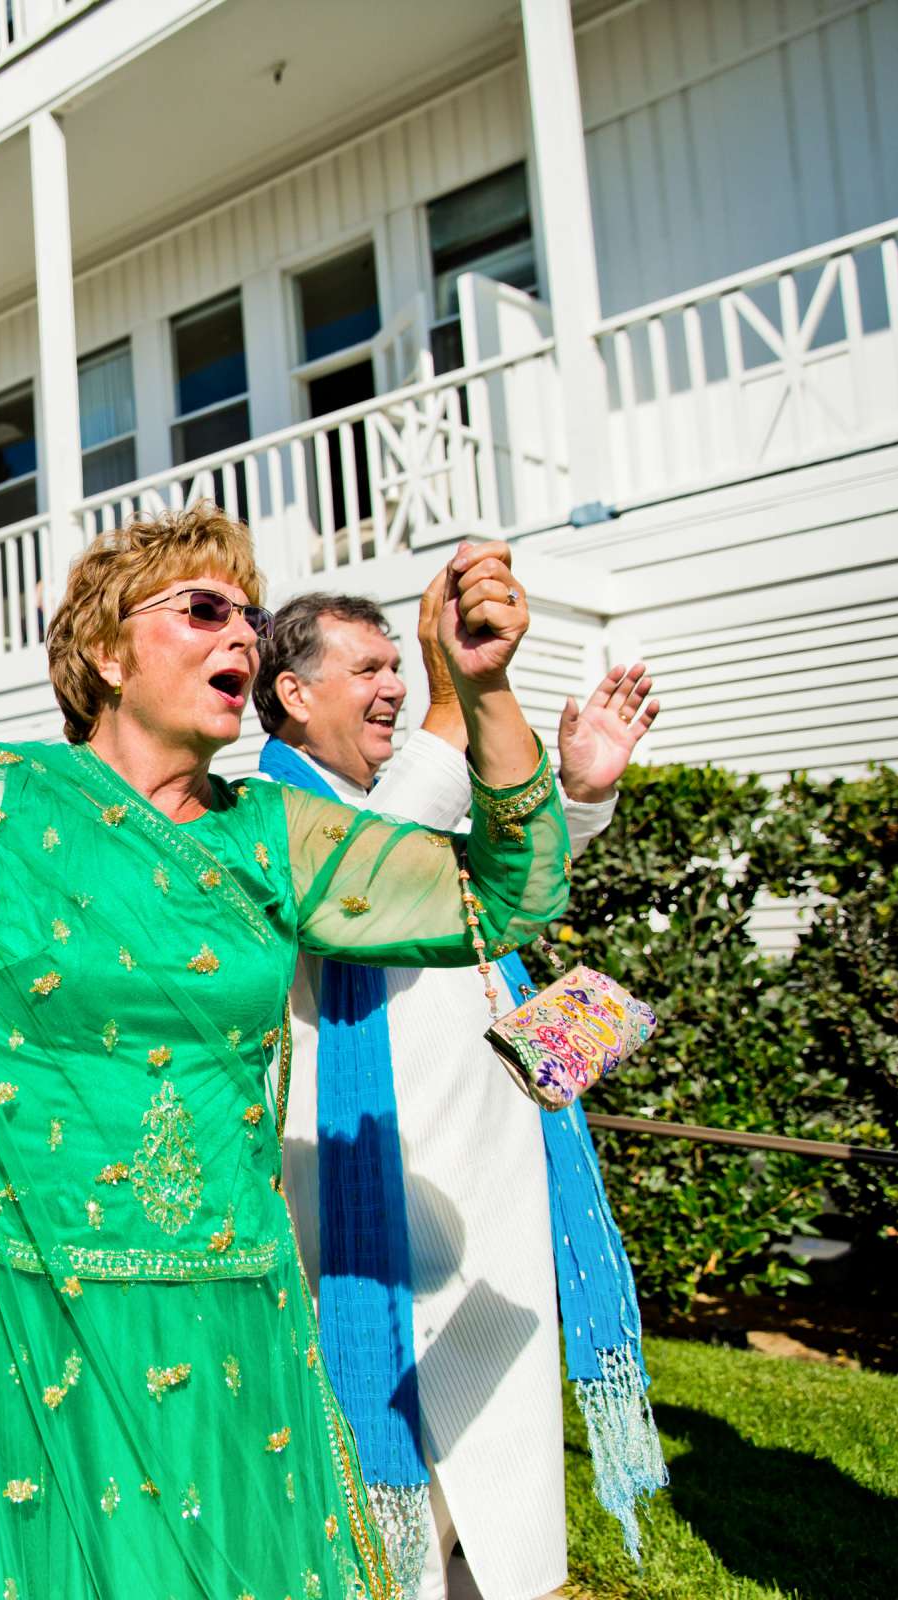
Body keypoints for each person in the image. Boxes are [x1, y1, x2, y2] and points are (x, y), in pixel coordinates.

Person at [0, 502, 570, 1600]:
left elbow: (509, 896)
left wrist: (478, 692)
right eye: (202, 610)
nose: (240, 635)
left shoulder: (272, 835)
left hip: (225, 1305)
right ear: (105, 650)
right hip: (18, 1303)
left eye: (247, 614)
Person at [255, 584, 663, 1597]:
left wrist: (578, 794)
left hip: (493, 1182)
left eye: (400, 665)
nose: (394, 686)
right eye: (371, 668)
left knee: (493, 1469)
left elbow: (494, 884)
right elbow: (372, 871)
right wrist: (457, 687)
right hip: (374, 1197)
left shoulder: (394, 796)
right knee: (388, 1466)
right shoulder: (271, 812)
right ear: (294, 693)